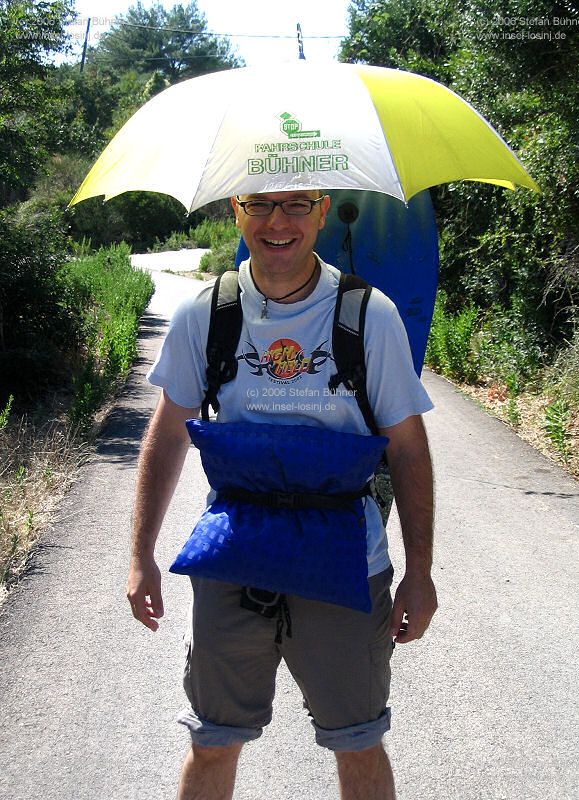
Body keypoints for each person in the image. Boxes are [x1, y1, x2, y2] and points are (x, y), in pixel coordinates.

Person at [127, 189, 438, 800]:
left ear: (323, 214)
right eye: (260, 204)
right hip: (235, 559)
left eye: (298, 206)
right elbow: (166, 435)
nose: (278, 222)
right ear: (235, 213)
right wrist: (141, 555)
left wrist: (420, 572)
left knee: (359, 738)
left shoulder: (368, 315)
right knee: (212, 738)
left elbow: (406, 448)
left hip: (348, 565)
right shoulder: (206, 313)